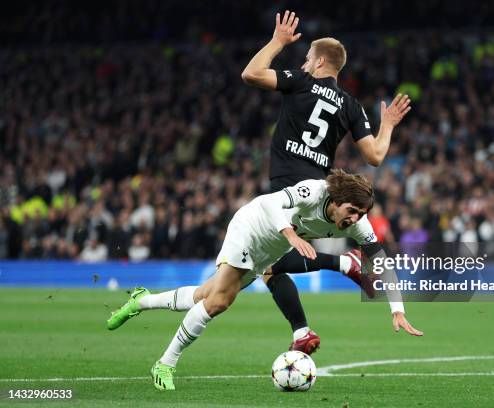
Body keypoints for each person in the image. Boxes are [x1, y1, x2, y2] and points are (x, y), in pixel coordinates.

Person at [107, 169, 423, 390]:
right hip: (252, 227)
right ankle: (166, 362)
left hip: (269, 251)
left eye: (360, 214)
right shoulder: (315, 191)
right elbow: (272, 203)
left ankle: (141, 300)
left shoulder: (357, 225)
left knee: (205, 295)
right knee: (220, 301)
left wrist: (397, 310)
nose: (354, 219)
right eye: (352, 211)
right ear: (337, 199)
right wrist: (289, 234)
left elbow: (381, 264)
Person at [240, 10, 412, 354]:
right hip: (322, 192)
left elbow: (250, 74)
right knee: (271, 267)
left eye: (306, 59)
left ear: (318, 61)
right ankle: (302, 330)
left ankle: (341, 265)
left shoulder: (302, 82)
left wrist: (276, 42)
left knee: (265, 264)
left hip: (292, 189)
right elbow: (375, 156)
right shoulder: (351, 105)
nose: (303, 64)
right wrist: (388, 124)